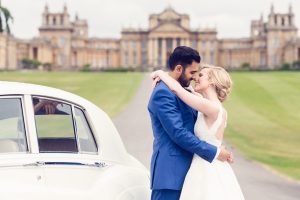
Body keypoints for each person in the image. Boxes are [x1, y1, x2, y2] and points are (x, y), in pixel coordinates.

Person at [147, 46, 233, 200]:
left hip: (192, 173)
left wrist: (215, 144)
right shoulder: (163, 93)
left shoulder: (185, 91)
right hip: (171, 175)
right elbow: (178, 133)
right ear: (179, 68)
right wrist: (215, 151)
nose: (195, 77)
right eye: (192, 72)